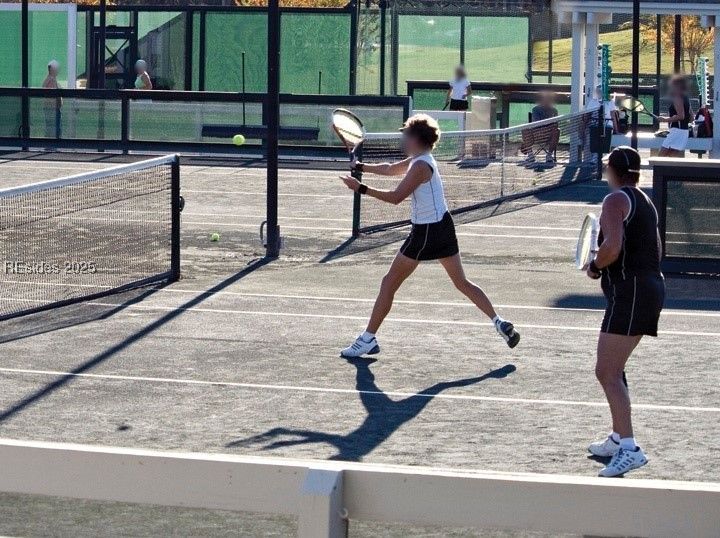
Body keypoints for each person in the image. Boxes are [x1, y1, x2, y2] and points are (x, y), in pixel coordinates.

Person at [337, 114, 520, 359]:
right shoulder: (420, 159)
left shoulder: (420, 166)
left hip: (425, 233)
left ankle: (367, 339)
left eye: (406, 134)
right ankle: (499, 322)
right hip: (443, 226)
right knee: (462, 282)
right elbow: (390, 169)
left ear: (417, 139)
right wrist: (361, 167)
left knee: (388, 283)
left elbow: (395, 197)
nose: (403, 139)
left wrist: (360, 188)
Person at [586, 146, 665, 478]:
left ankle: (630, 449)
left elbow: (612, 247)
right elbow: (657, 249)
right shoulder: (645, 201)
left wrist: (595, 266)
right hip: (645, 290)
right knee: (614, 370)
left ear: (613, 171)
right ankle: (619, 437)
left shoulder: (614, 200)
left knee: (607, 371)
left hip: (631, 293)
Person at [520, 91, 560, 165]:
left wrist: (550, 127)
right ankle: (530, 155)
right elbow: (537, 124)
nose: (547, 100)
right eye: (546, 98)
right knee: (525, 129)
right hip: (536, 134)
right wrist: (548, 125)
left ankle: (549, 155)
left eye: (549, 99)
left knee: (557, 131)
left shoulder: (554, 111)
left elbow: (556, 124)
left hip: (549, 135)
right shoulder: (535, 109)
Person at [658, 74, 692, 157]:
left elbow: (681, 116)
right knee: (671, 158)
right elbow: (692, 117)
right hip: (684, 131)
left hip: (677, 131)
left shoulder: (677, 98)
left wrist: (664, 120)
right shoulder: (686, 97)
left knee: (660, 158)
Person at [42, 60, 62, 139]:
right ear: (52, 69)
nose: (58, 71)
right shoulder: (51, 80)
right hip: (52, 109)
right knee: (53, 129)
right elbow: (52, 96)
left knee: (51, 128)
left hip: (52, 108)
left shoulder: (49, 80)